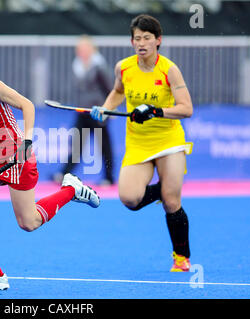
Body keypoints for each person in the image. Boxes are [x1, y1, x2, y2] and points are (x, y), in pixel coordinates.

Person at [0, 40, 100, 290]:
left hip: (16, 154)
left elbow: (27, 105)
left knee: (28, 223)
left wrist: (27, 142)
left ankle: (71, 190)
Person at [91, 14, 194, 272]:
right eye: (137, 38)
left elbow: (186, 108)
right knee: (129, 198)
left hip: (168, 140)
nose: (141, 43)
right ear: (131, 41)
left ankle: (181, 258)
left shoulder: (169, 70)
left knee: (172, 202)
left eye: (147, 38)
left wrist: (156, 111)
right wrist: (105, 109)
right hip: (138, 143)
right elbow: (117, 92)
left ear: (158, 40)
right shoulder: (123, 68)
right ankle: (165, 187)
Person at [52, 35, 115, 186]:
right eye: (79, 49)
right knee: (77, 143)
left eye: (84, 48)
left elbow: (109, 88)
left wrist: (110, 108)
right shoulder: (77, 65)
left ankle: (109, 177)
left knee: (104, 145)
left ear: (92, 49)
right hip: (82, 111)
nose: (81, 51)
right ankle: (65, 173)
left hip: (98, 112)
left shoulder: (99, 66)